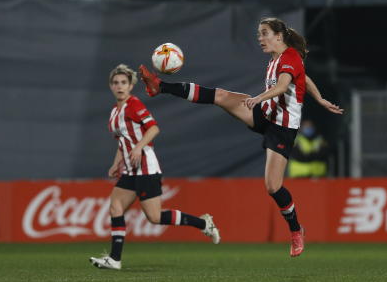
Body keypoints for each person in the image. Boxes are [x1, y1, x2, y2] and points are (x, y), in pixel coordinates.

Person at [138, 17, 343, 257]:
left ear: (279, 36)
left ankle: (296, 230)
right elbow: (304, 78)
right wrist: (318, 99)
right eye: (259, 34)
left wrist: (258, 98)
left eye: (264, 33)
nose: (260, 38)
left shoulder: (290, 58)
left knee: (273, 186)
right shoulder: (277, 59)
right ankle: (159, 86)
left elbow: (283, 85)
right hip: (264, 114)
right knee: (222, 95)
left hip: (282, 128)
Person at [90, 64, 220, 270]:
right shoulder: (115, 111)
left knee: (154, 217)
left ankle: (204, 224)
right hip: (130, 169)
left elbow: (153, 128)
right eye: (115, 83)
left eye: (124, 82)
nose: (119, 86)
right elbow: (121, 140)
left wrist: (138, 148)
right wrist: (117, 162)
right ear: (110, 86)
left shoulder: (133, 104)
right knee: (115, 207)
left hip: (145, 167)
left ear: (131, 85)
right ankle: (114, 259)